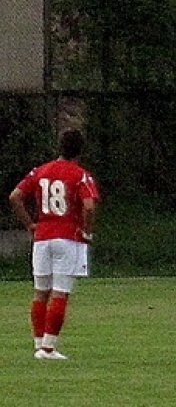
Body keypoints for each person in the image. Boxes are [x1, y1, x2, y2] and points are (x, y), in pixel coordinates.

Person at [8, 128, 100, 360]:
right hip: (67, 237)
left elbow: (15, 196)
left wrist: (30, 224)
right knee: (60, 293)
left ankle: (39, 344)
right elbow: (88, 206)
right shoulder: (79, 174)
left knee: (41, 292)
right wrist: (87, 231)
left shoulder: (41, 171)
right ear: (80, 150)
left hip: (42, 237)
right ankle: (49, 348)